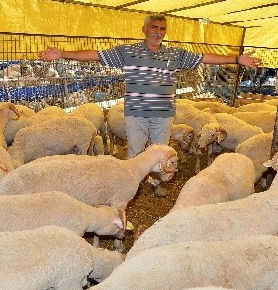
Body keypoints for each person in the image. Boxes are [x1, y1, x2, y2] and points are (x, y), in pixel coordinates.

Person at [39, 13, 262, 196]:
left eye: (162, 29)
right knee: (136, 151)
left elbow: (204, 58)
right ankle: (131, 186)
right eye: (154, 27)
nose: (158, 32)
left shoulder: (174, 54)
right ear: (144, 29)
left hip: (163, 112)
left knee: (161, 150)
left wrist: (236, 59)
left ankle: (156, 183)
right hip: (136, 111)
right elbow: (96, 55)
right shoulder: (128, 52)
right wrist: (62, 54)